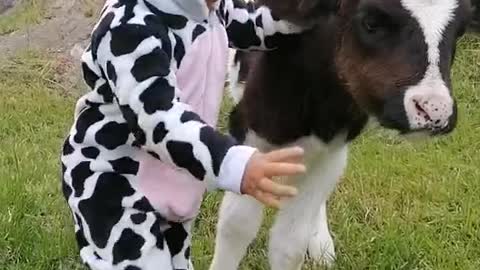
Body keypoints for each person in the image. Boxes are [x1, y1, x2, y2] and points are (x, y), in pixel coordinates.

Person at [60, 0, 315, 269]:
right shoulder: (130, 23)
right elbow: (157, 120)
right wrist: (232, 163)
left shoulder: (211, 7)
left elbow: (252, 23)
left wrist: (305, 13)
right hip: (116, 183)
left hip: (176, 175)